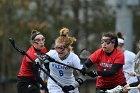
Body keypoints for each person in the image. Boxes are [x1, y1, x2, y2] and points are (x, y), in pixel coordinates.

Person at [37, 27, 83, 93]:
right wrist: (37, 62)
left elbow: (83, 76)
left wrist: (72, 86)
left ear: (68, 47)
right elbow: (39, 60)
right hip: (54, 86)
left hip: (70, 86)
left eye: (61, 48)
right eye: (57, 48)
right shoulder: (51, 54)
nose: (59, 51)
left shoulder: (74, 58)